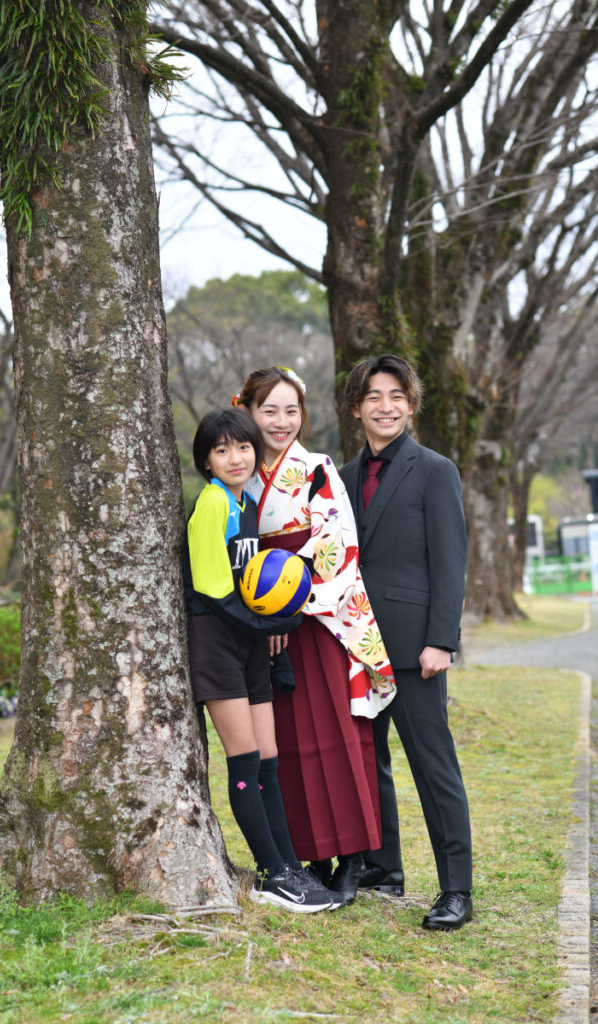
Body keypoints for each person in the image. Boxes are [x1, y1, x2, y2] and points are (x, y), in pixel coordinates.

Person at [236, 366, 396, 906]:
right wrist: (263, 615)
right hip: (264, 627)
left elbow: (336, 548)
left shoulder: (316, 468)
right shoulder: (240, 475)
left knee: (335, 737)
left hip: (316, 620)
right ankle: (309, 856)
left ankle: (352, 857)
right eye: (269, 411)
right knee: (286, 745)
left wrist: (288, 607)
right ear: (248, 412)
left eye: (291, 410)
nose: (281, 422)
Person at [183, 407, 343, 913]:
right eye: (222, 450)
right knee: (246, 759)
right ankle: (272, 877)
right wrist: (269, 626)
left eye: (244, 447)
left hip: (249, 641)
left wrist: (271, 624)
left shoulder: (246, 501)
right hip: (217, 640)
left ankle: (288, 865)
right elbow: (212, 589)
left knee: (270, 758)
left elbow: (255, 581)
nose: (236, 457)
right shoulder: (212, 503)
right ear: (206, 462)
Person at [340, 353, 473, 931]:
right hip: (358, 646)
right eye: (373, 396)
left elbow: (450, 561)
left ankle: (457, 890)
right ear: (356, 408)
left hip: (418, 651)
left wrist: (441, 640)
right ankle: (383, 868)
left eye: (396, 395)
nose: (385, 406)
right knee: (368, 763)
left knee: (434, 768)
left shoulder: (436, 470)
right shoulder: (342, 478)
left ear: (411, 405)